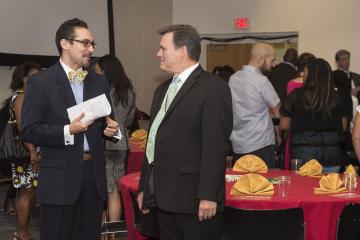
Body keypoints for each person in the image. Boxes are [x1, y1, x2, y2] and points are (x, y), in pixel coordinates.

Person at [21, 18, 120, 240]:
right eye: (85, 43)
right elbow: (29, 130)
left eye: (93, 44)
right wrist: (68, 130)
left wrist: (112, 131)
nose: (91, 49)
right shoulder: (41, 82)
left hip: (92, 177)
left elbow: (107, 121)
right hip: (59, 178)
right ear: (65, 43)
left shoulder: (98, 82)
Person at [137, 24, 232, 240]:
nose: (158, 54)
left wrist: (209, 195)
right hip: (163, 196)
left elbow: (215, 146)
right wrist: (145, 188)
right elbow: (153, 141)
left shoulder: (213, 87)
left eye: (163, 48)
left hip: (194, 199)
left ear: (182, 51)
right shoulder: (162, 90)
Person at [280, 58, 348, 172]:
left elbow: (284, 125)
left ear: (311, 74)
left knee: (304, 188)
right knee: (330, 188)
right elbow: (344, 126)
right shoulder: (338, 97)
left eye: (305, 72)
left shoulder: (296, 95)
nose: (303, 74)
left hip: (304, 151)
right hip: (333, 153)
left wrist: (302, 125)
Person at [95, 55, 136, 237]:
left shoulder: (102, 91)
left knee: (105, 190)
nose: (96, 73)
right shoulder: (129, 91)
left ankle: (104, 231)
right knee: (115, 190)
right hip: (121, 144)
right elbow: (129, 119)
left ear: (106, 71)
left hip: (104, 143)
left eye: (98, 70)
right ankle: (112, 233)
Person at [229, 43, 280, 168]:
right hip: (261, 144)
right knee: (264, 184)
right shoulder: (261, 81)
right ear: (259, 58)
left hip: (238, 144)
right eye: (272, 60)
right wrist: (266, 110)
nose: (273, 65)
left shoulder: (233, 78)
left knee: (242, 184)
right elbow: (278, 112)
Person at [8, 61, 42, 240]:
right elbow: (23, 127)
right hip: (26, 151)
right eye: (35, 75)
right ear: (24, 79)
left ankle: (21, 232)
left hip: (30, 150)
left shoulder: (27, 95)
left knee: (30, 192)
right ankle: (21, 233)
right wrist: (32, 151)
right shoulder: (21, 96)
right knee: (26, 192)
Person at [283, 53, 315, 169]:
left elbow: (289, 109)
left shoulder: (291, 83)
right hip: (312, 127)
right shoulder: (315, 84)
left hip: (295, 126)